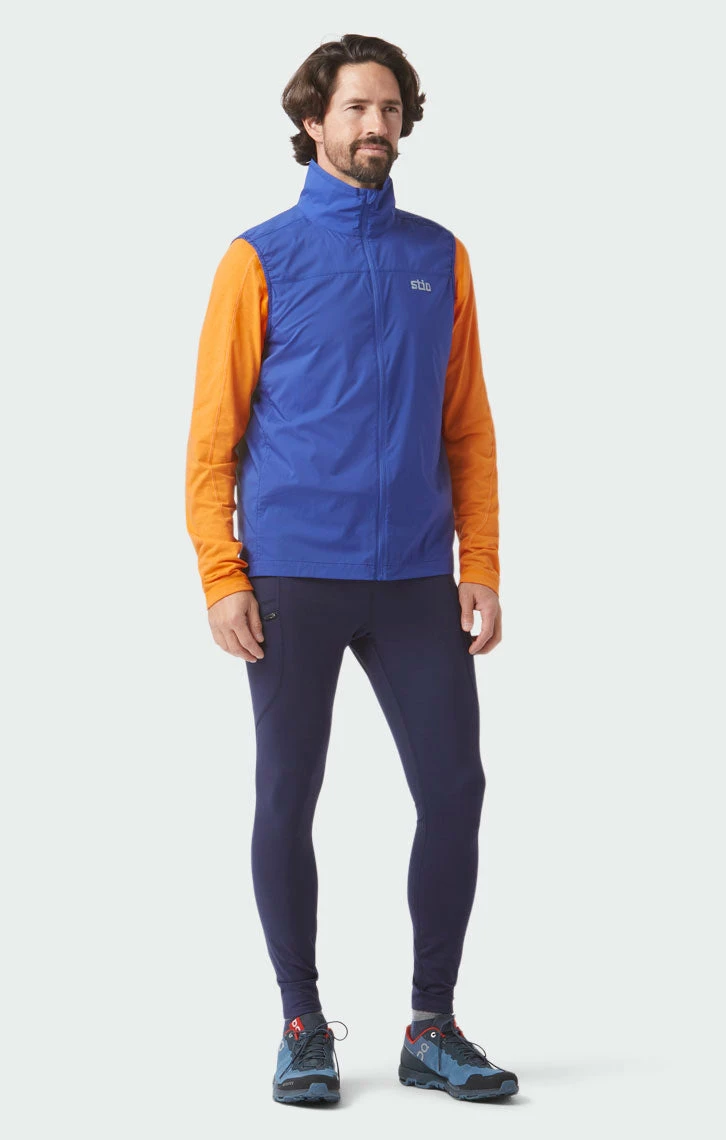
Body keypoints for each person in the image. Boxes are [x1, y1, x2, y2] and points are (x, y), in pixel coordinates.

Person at [185, 33, 518, 1105]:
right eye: (355, 108)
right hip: (292, 575)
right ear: (313, 122)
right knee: (287, 794)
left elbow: (466, 426)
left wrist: (479, 559)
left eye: (390, 108)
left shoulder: (440, 256)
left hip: (416, 575)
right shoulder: (258, 258)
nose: (376, 125)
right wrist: (222, 574)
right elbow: (212, 437)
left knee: (455, 791)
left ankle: (432, 1026)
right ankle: (301, 1023)